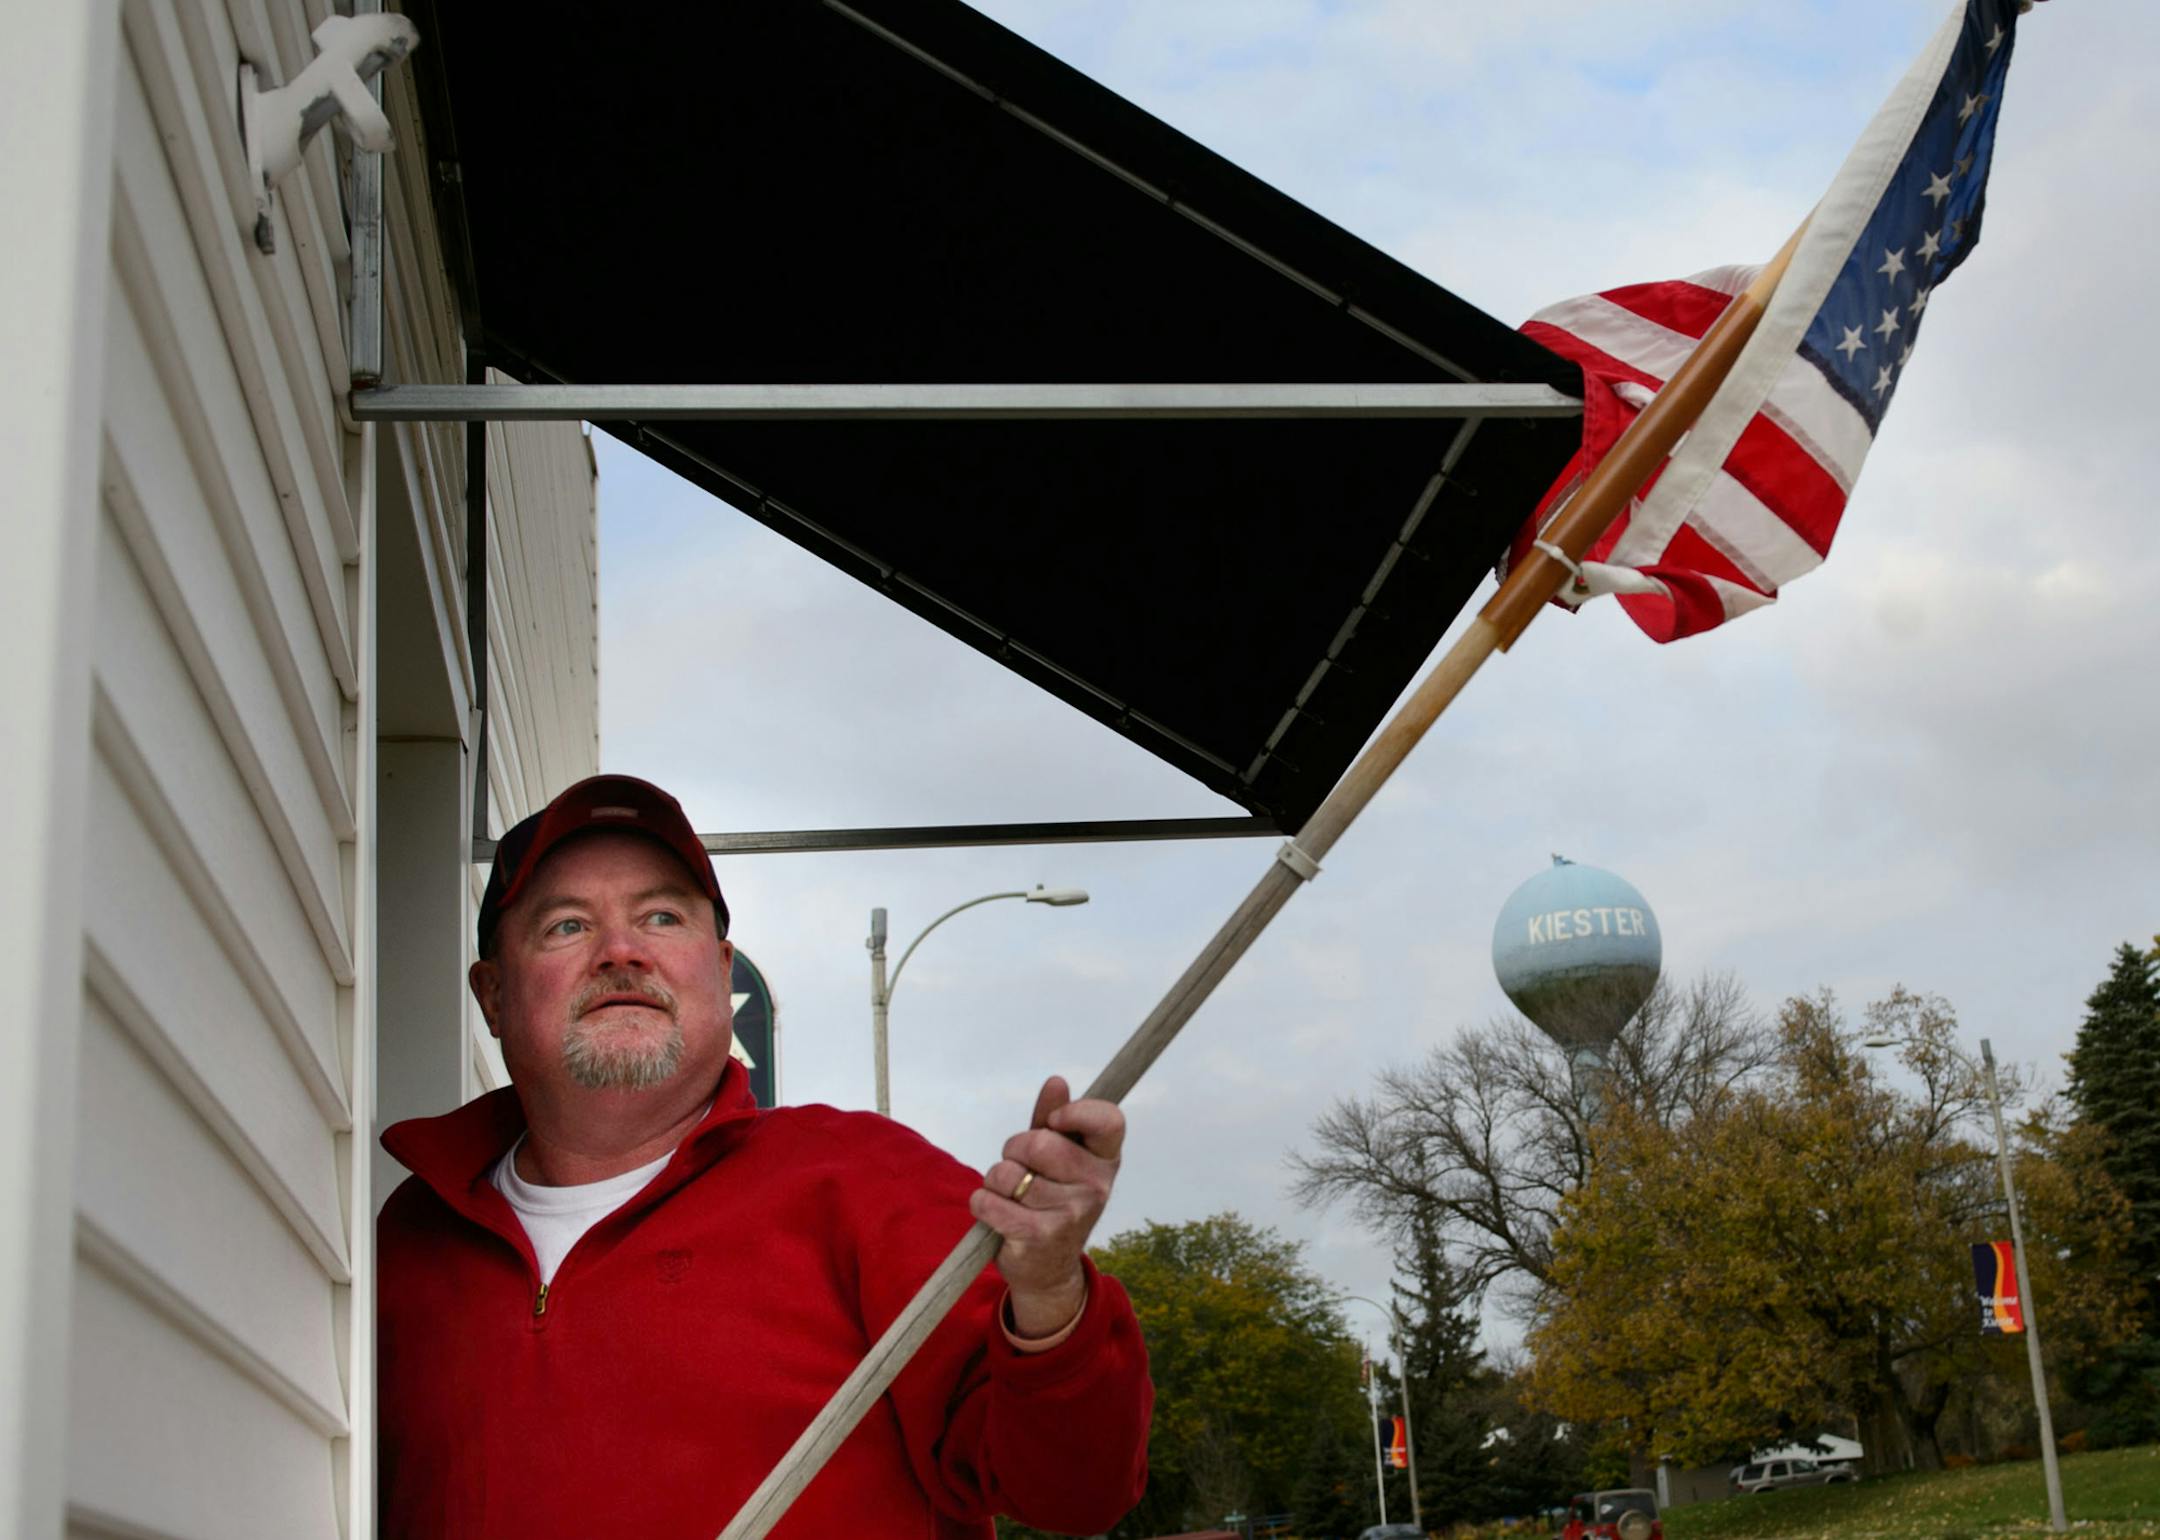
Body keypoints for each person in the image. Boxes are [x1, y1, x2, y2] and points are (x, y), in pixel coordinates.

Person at [377, 774, 1152, 1539]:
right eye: (567, 926)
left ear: (720, 970)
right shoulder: (405, 1240)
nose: (622, 951)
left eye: (661, 916)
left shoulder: (862, 1179)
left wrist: (1050, 1296)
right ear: (493, 995)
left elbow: (1076, 1492)